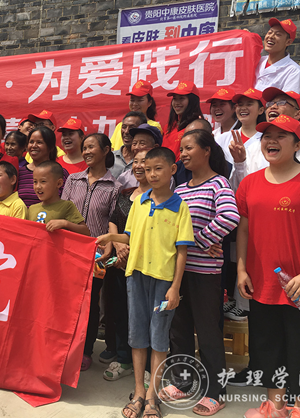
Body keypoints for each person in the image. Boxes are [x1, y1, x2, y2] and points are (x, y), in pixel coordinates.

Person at [236, 116, 300, 418]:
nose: (272, 140)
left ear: (297, 145)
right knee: (268, 347)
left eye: (281, 136)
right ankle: (275, 406)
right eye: (267, 135)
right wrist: (241, 269)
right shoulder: (250, 183)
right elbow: (244, 229)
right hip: (263, 284)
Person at [96, 147, 194, 418]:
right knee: (137, 336)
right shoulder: (138, 203)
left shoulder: (180, 207)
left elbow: (182, 251)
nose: (152, 174)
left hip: (163, 282)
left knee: (159, 339)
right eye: (148, 169)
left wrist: (175, 287)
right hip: (136, 277)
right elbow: (129, 237)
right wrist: (110, 238)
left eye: (158, 169)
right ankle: (139, 391)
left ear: (172, 170)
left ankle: (153, 396)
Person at [161, 130, 239, 416]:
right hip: (178, 272)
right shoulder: (180, 190)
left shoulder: (219, 183)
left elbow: (230, 216)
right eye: (181, 149)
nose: (182, 154)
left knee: (208, 332)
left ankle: (216, 391)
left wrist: (201, 240)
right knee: (178, 328)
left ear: (207, 151)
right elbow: (170, 227)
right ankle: (182, 382)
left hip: (206, 273)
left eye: (188, 148)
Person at [62, 133, 121, 371]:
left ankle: (85, 350)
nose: (86, 152)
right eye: (84, 148)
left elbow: (113, 222)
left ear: (106, 150)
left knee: (90, 303)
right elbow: (63, 210)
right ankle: (63, 347)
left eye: (91, 147)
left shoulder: (114, 187)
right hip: (68, 251)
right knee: (66, 301)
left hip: (96, 255)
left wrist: (109, 246)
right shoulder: (73, 180)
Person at [99, 147, 153, 383]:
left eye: (145, 162)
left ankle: (148, 364)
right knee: (120, 312)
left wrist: (128, 249)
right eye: (136, 162)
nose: (139, 166)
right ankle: (123, 359)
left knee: (145, 315)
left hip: (144, 264)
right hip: (119, 263)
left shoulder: (160, 198)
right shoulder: (125, 193)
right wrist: (118, 246)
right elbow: (113, 220)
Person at [229, 87, 300, 196]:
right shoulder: (252, 149)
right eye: (270, 104)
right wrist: (240, 163)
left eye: (281, 103)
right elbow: (240, 193)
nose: (273, 106)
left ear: (298, 114)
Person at [28, 161, 90, 235]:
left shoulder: (67, 206)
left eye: (43, 181)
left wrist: (65, 223)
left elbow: (86, 232)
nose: (38, 186)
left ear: (59, 183)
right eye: (35, 182)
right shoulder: (31, 209)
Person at [18, 127, 68, 207]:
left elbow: (66, 201)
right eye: (31, 142)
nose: (34, 146)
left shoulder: (60, 173)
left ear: (50, 147)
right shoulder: (19, 173)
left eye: (39, 142)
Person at [254, 18, 300, 93]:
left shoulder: (293, 71)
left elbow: (286, 99)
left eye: (278, 34)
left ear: (288, 42)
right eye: (270, 32)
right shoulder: (258, 61)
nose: (271, 36)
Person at [111, 79, 162, 150]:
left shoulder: (153, 126)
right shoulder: (120, 125)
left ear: (149, 102)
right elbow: (112, 148)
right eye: (132, 100)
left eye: (140, 100)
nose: (135, 104)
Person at [163, 81, 203, 161]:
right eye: (175, 98)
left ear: (192, 101)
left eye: (181, 98)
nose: (177, 103)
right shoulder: (168, 127)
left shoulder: (197, 126)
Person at [116, 123, 162, 190]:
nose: (136, 147)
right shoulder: (124, 178)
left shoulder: (164, 178)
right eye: (134, 143)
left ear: (155, 147)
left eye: (142, 144)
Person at [110, 112, 146, 179]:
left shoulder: (148, 161)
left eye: (132, 128)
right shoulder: (109, 158)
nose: (126, 131)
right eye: (124, 127)